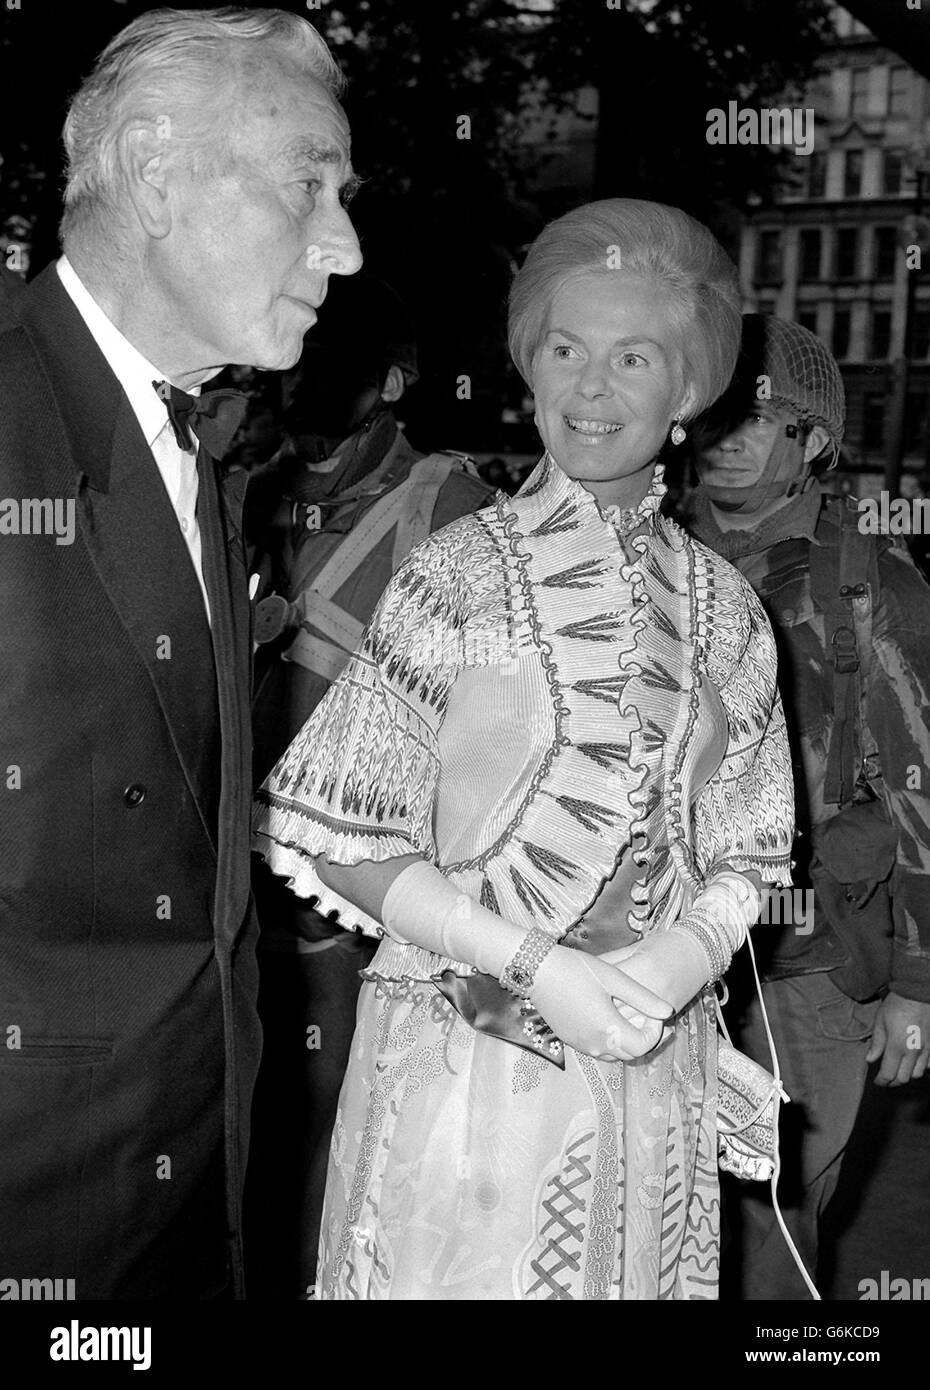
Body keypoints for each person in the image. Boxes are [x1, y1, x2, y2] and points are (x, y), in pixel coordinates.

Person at [253, 198, 795, 1301]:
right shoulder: (451, 573)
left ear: (688, 391)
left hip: (657, 1073)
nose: (592, 389)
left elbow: (755, 843)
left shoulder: (732, 608)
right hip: (468, 1060)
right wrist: (539, 966)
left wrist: (677, 960)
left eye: (632, 357)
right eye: (566, 351)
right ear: (530, 370)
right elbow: (344, 838)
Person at [0, 6, 361, 1299]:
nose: (347, 244)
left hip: (189, 1181)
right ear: (154, 173)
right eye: (307, 182)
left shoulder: (199, 448)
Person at [243, 272, 495, 1297]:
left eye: (330, 402)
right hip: (229, 884)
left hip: (356, 905)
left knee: (333, 1133)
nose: (306, 433)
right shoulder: (253, 489)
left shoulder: (452, 507)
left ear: (392, 386)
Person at [689, 314, 930, 1300]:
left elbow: (919, 789)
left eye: (761, 415)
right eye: (712, 411)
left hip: (805, 967)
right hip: (647, 958)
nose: (728, 435)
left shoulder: (867, 588)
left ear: (813, 441)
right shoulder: (638, 557)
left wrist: (918, 979)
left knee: (766, 1249)